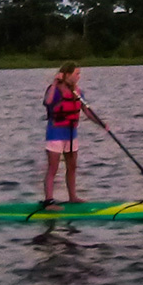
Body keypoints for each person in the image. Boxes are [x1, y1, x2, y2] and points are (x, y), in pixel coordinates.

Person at [42, 63, 93, 205]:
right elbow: (48, 102)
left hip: (71, 134)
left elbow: (87, 111)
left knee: (72, 167)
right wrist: (54, 83)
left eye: (79, 74)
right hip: (55, 134)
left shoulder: (77, 92)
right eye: (76, 74)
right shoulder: (55, 90)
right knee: (53, 168)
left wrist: (102, 125)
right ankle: (48, 201)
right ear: (67, 75)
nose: (78, 77)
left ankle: (73, 197)